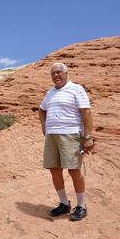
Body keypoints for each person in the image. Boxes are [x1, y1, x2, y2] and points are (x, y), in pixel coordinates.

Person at [38, 63, 95, 221]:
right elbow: (41, 109)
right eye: (53, 73)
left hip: (70, 135)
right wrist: (44, 124)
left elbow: (86, 112)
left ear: (66, 73)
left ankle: (81, 206)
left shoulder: (76, 89)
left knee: (74, 171)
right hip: (52, 136)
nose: (56, 75)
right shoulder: (51, 93)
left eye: (59, 72)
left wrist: (88, 136)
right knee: (54, 170)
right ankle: (64, 204)